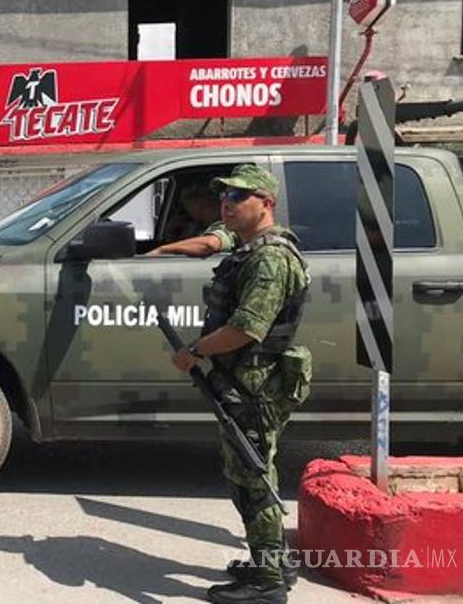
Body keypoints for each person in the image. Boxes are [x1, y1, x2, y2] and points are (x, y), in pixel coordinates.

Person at [169, 164, 312, 604]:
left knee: (251, 478)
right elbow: (214, 242)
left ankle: (267, 583)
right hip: (244, 381)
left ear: (266, 203)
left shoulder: (270, 259)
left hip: (256, 385)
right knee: (253, 471)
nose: (226, 204)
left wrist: (195, 351)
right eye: (224, 197)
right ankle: (273, 563)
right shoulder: (250, 247)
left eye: (237, 197)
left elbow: (247, 328)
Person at [151, 184, 235, 257]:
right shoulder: (194, 226)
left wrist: (162, 250)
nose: (195, 216)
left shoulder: (230, 225)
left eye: (200, 209)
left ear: (210, 203)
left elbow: (210, 244)